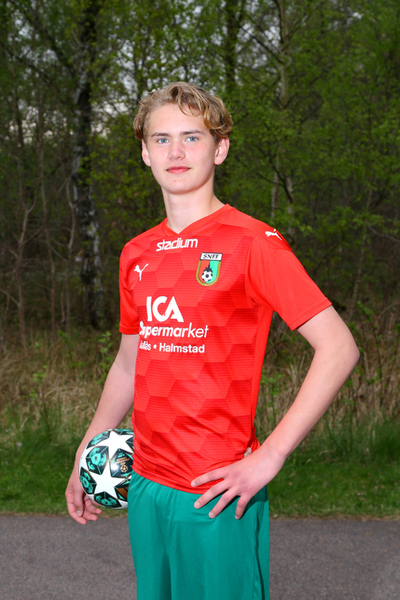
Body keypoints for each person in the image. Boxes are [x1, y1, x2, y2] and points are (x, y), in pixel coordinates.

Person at [66, 81, 359, 600]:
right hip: (145, 483)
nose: (175, 152)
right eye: (161, 139)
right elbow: (129, 363)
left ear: (219, 148)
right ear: (145, 152)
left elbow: (339, 348)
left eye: (192, 137)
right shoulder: (137, 253)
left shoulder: (253, 243)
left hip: (216, 490)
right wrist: (87, 450)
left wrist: (270, 456)